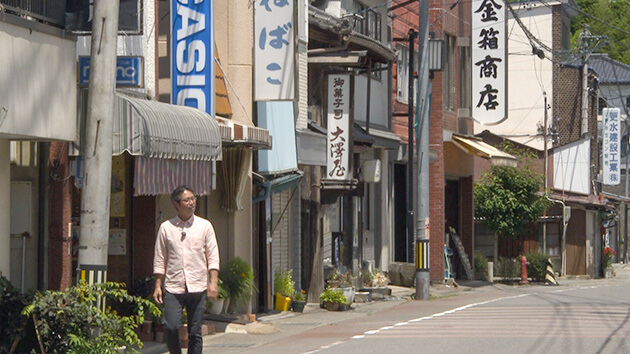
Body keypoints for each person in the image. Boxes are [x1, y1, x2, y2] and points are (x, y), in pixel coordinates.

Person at [153, 185, 220, 354]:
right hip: (173, 286)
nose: (191, 203)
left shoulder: (205, 226)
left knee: (195, 332)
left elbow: (213, 256)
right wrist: (158, 284)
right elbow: (160, 257)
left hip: (197, 286)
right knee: (172, 327)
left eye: (193, 199)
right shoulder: (166, 228)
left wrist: (213, 282)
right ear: (176, 204)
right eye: (187, 200)